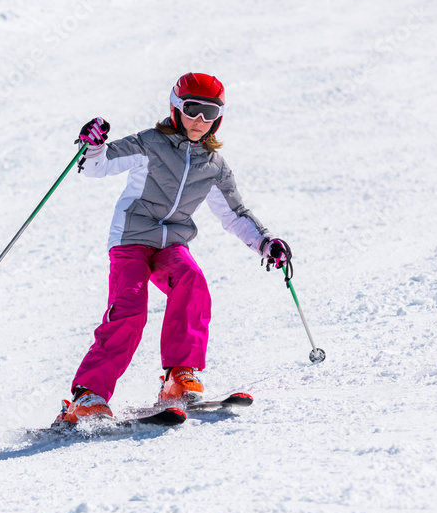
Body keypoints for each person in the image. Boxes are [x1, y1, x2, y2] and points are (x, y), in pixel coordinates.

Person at [54, 72, 292, 425]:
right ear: (176, 108)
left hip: (171, 244)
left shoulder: (213, 166)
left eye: (209, 113)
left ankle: (178, 377)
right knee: (130, 309)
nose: (199, 120)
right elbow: (97, 166)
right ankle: (87, 396)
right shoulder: (150, 143)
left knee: (192, 281)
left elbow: (234, 213)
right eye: (193, 109)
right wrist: (94, 145)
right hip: (132, 239)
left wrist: (264, 242)